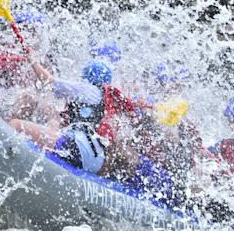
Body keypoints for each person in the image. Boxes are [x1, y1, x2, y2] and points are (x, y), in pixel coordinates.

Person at [9, 56, 140, 174]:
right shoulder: (106, 98)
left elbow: (49, 82)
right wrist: (52, 117)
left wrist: (32, 59)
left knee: (16, 125)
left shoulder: (90, 90)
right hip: (95, 160)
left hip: (79, 148)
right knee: (54, 123)